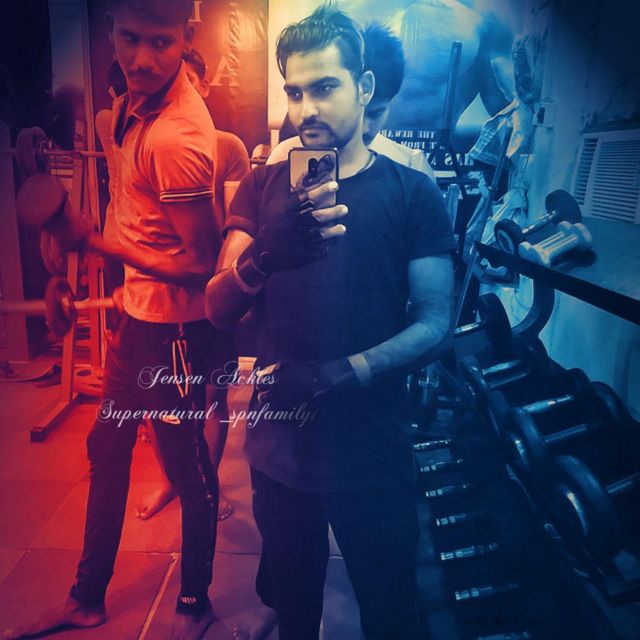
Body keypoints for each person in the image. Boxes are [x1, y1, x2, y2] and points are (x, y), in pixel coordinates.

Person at [204, 6, 456, 640]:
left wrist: (343, 373)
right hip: (280, 449)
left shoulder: (412, 192)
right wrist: (262, 256)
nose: (306, 109)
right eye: (294, 92)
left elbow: (435, 322)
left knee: (391, 613)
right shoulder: (261, 188)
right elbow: (216, 306)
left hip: (373, 450)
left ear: (364, 88)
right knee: (294, 612)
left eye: (324, 87)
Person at [5, 2, 222, 639]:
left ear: (187, 35)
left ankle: (194, 605)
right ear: (110, 32)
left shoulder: (177, 137)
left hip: (175, 334)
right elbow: (134, 209)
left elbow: (202, 265)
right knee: (107, 447)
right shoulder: (127, 105)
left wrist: (95, 243)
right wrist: (75, 247)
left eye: (161, 42)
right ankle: (87, 598)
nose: (142, 59)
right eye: (129, 38)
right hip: (136, 319)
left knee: (188, 473)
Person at [135, 48, 251, 523]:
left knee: (211, 397)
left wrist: (226, 289)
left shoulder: (228, 147)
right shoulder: (139, 137)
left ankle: (208, 484)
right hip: (155, 298)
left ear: (202, 87)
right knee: (157, 401)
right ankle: (172, 481)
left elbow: (234, 228)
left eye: (187, 80)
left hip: (208, 298)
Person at [269, 22, 435, 178]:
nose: (363, 128)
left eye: (374, 114)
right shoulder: (282, 159)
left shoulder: (411, 166)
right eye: (295, 94)